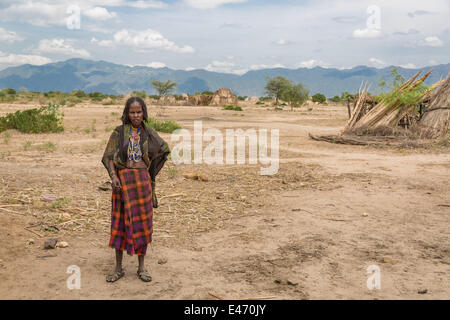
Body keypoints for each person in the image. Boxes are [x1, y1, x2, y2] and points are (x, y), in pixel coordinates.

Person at [101, 96, 170, 282]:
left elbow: (164, 149)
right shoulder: (119, 132)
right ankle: (118, 268)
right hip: (122, 183)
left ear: (144, 113)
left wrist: (150, 171)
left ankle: (141, 268)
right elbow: (107, 157)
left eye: (139, 112)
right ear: (127, 113)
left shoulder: (149, 133)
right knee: (120, 224)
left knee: (142, 225)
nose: (136, 115)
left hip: (142, 184)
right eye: (132, 112)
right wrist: (114, 177)